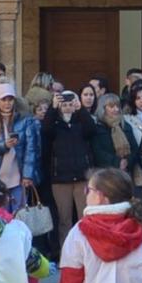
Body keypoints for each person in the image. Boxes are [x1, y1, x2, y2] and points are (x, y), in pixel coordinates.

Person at [42, 89, 101, 250]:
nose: (67, 107)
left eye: (70, 104)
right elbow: (45, 130)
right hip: (61, 179)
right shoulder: (55, 124)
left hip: (82, 177)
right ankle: (67, 253)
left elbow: (92, 129)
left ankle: (88, 251)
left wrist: (80, 108)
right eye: (64, 105)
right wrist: (53, 108)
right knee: (64, 219)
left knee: (85, 216)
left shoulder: (81, 122)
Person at [0, 84, 35, 211]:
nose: (7, 103)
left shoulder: (25, 120)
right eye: (3, 100)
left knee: (19, 215)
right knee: (0, 214)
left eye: (10, 99)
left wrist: (27, 175)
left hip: (18, 176)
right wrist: (3, 145)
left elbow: (31, 149)